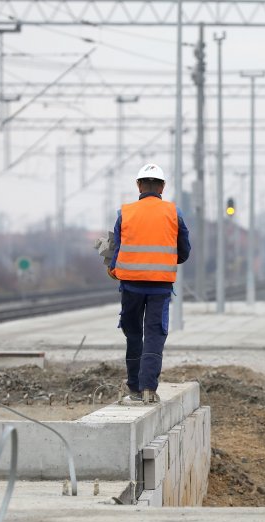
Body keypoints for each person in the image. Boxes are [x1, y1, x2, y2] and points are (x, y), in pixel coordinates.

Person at [108, 163, 190, 404]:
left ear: (139, 185)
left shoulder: (125, 213)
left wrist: (115, 268)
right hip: (160, 287)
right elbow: (184, 251)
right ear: (162, 187)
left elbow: (116, 251)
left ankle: (133, 388)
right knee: (154, 334)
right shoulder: (174, 213)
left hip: (131, 286)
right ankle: (148, 390)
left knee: (133, 334)